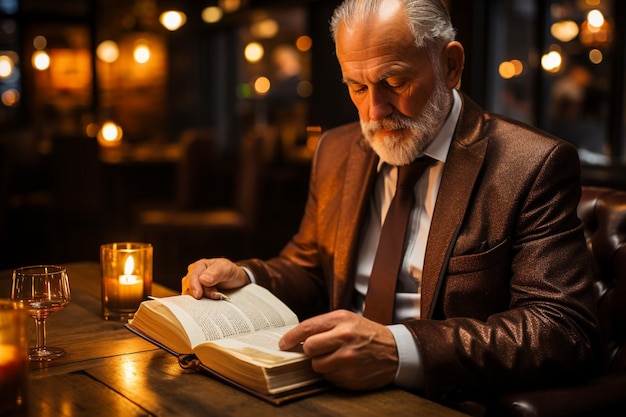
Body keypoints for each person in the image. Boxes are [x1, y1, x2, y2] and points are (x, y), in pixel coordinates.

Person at [182, 0, 598, 412]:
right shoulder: (337, 149)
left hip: (447, 398)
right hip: (329, 388)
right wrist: (248, 276)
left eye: (395, 81)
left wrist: (400, 351)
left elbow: (561, 329)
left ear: (450, 66)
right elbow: (311, 268)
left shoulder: (531, 164)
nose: (374, 112)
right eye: (357, 87)